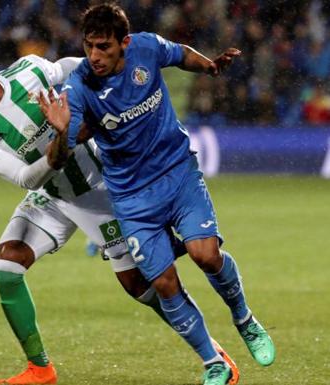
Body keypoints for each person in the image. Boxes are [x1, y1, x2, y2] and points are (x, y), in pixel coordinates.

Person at [0, 39, 238, 385]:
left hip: (102, 189)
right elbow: (24, 177)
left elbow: (74, 67)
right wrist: (59, 147)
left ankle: (214, 356)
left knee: (141, 286)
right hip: (51, 195)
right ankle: (40, 370)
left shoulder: (30, 70)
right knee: (7, 266)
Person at [39, 4, 275, 385]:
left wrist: (210, 66)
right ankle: (213, 361)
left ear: (125, 43)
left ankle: (244, 319)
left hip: (177, 173)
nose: (94, 56)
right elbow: (58, 158)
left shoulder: (146, 49)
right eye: (89, 46)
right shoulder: (78, 88)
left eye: (104, 47)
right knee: (163, 283)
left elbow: (180, 54)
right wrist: (61, 132)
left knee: (206, 255)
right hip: (132, 197)